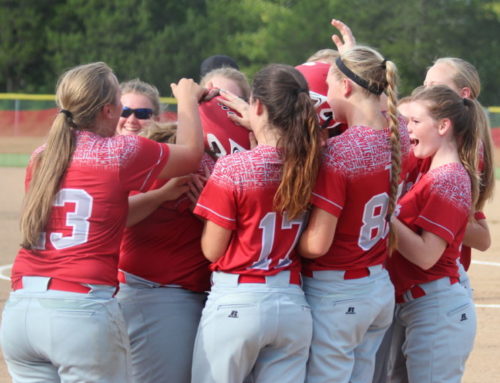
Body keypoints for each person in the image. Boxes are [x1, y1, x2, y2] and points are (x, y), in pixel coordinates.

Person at [0, 62, 204, 382]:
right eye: (122, 106)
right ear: (108, 111)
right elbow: (191, 155)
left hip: (21, 312)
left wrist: (158, 196)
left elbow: (107, 216)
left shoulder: (43, 155)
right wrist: (188, 101)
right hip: (79, 310)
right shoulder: (119, 151)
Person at [191, 63, 322, 383]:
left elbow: (212, 250)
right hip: (292, 303)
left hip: (238, 298)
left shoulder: (234, 167)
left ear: (258, 107)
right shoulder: (312, 161)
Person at [116, 77, 252, 383]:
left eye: (142, 114)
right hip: (156, 295)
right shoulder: (161, 163)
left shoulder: (229, 164)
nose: (132, 120)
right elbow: (113, 218)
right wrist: (163, 195)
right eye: (124, 111)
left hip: (189, 296)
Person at [298, 44, 410, 383]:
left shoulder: (339, 153)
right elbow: (384, 102)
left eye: (330, 85)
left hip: (338, 291)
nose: (327, 95)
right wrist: (353, 55)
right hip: (376, 285)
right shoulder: (399, 136)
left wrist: (286, 244)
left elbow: (317, 245)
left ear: (346, 86)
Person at [386, 85, 480, 383]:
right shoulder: (433, 169)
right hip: (419, 306)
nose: (407, 128)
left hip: (437, 309)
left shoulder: (449, 178)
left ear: (443, 126)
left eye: (415, 122)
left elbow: (427, 256)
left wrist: (386, 215)